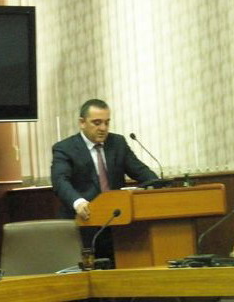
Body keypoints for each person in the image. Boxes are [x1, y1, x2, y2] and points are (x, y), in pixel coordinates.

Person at [50, 99, 159, 259]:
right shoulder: (65, 148)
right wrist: (78, 202)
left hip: (117, 222)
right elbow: (60, 181)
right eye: (97, 123)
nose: (103, 128)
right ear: (82, 123)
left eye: (107, 123)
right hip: (84, 224)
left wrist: (157, 185)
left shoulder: (117, 143)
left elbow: (141, 172)